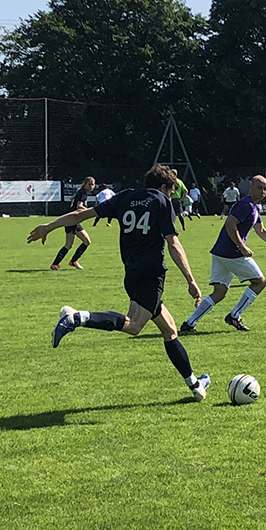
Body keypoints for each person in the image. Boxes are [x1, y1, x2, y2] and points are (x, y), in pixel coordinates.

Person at [27, 164, 211, 402]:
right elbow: (173, 244)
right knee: (133, 325)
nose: (171, 194)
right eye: (171, 190)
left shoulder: (125, 197)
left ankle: (195, 386)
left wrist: (48, 227)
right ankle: (77, 317)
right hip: (151, 273)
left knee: (169, 330)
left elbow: (80, 215)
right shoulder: (162, 202)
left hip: (131, 273)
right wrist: (191, 280)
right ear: (164, 187)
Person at [181, 174, 266, 333]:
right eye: (259, 188)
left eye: (265, 189)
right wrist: (242, 246)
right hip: (231, 252)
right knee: (260, 282)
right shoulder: (245, 205)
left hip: (220, 252)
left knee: (219, 292)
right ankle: (235, 315)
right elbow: (230, 224)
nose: (263, 192)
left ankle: (189, 323)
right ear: (251, 187)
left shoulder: (254, 207)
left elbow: (261, 231)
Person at [51, 176, 95, 270]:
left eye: (93, 184)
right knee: (70, 244)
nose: (91, 186)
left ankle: (73, 261)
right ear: (85, 184)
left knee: (86, 241)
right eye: (89, 184)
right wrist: (90, 210)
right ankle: (56, 264)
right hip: (72, 220)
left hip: (75, 221)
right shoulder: (82, 193)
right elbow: (79, 206)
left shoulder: (82, 192)